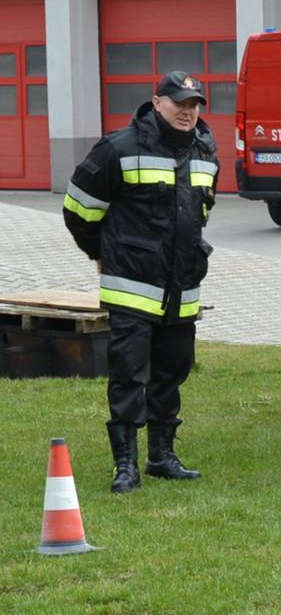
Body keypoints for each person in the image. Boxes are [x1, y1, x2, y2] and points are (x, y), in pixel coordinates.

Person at [62, 71, 216, 493]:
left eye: (194, 104)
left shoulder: (205, 150)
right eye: (179, 103)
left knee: (173, 370)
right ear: (157, 101)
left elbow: (198, 215)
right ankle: (125, 463)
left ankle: (161, 456)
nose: (188, 112)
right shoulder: (120, 147)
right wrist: (103, 252)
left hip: (182, 289)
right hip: (131, 286)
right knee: (130, 374)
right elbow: (78, 208)